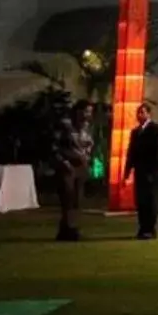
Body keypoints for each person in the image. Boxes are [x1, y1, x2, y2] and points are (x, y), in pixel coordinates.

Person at [51, 101, 93, 241]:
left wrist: (87, 156)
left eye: (89, 112)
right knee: (67, 198)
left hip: (80, 166)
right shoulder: (65, 126)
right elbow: (54, 146)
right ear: (77, 111)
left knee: (76, 199)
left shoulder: (86, 128)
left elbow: (89, 144)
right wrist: (64, 162)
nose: (88, 115)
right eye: (86, 111)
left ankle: (70, 229)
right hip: (67, 166)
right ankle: (67, 229)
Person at [125, 101, 158, 240]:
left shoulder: (157, 130)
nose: (140, 115)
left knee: (150, 200)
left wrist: (155, 172)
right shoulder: (135, 132)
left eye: (143, 112)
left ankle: (150, 228)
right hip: (140, 171)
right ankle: (142, 227)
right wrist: (127, 170)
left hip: (151, 171)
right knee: (140, 200)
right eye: (138, 112)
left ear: (149, 114)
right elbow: (131, 153)